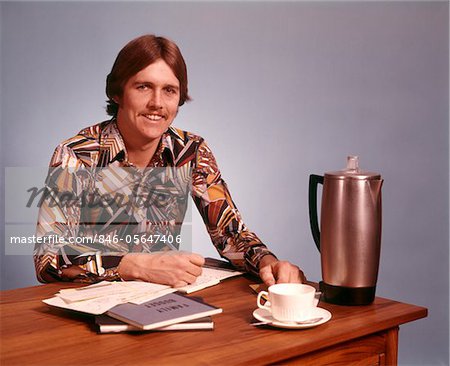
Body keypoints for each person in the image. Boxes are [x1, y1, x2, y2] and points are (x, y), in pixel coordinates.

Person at [34, 34, 305, 287]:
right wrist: (135, 266)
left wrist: (269, 264)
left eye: (169, 91)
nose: (157, 103)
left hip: (162, 302)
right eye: (143, 87)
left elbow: (230, 234)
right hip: (85, 311)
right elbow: (49, 259)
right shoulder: (77, 154)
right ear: (118, 93)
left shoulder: (191, 151)